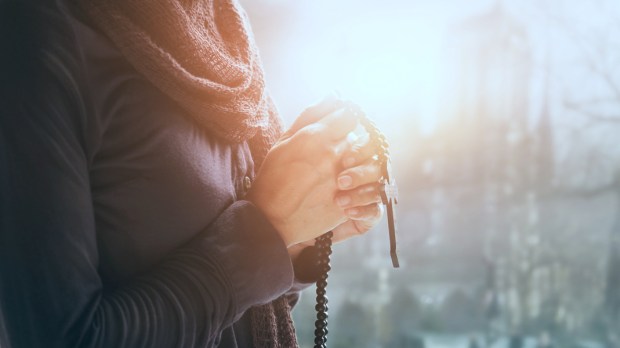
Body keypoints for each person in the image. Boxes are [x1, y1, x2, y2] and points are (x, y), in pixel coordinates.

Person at [0, 0, 385, 347]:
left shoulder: (226, 27)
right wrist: (269, 226)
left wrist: (300, 231)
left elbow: (240, 312)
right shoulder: (37, 33)